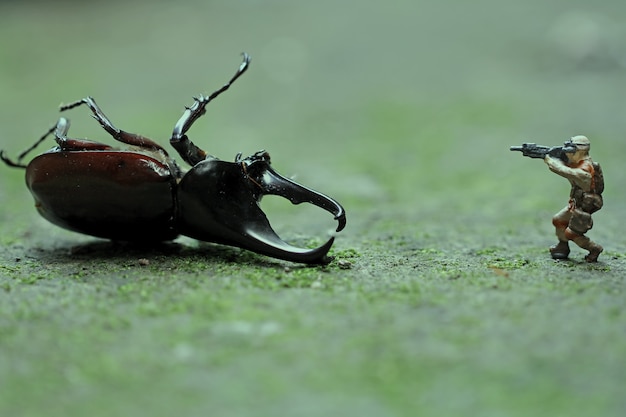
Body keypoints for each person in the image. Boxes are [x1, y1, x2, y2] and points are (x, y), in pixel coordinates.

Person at [544, 135, 604, 262]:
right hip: (576, 203)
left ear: (579, 151)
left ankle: (594, 248)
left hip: (585, 206)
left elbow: (568, 172)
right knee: (559, 220)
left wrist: (551, 161)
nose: (567, 154)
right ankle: (562, 247)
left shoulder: (585, 167)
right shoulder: (576, 163)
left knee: (572, 233)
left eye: (570, 151)